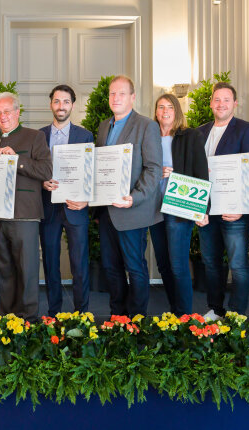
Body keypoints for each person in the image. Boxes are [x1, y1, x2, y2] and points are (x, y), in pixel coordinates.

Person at [95, 75, 162, 317]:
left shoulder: (146, 126)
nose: (116, 98)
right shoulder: (104, 126)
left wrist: (135, 197)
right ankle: (118, 318)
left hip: (132, 210)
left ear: (132, 97)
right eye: (112, 93)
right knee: (111, 268)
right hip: (107, 212)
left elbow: (154, 168)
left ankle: (137, 321)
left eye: (121, 93)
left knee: (135, 268)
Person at [0, 92, 52, 322]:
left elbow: (46, 171)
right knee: (4, 272)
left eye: (7, 112)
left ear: (17, 113)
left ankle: (29, 321)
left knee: (27, 271)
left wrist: (17, 160)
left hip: (24, 215)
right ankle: (8, 321)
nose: (2, 117)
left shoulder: (34, 137)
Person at [197, 82, 249, 320]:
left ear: (235, 103)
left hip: (235, 212)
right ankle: (216, 309)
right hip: (206, 211)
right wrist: (197, 209)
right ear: (211, 103)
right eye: (217, 99)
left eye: (226, 99)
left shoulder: (247, 130)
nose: (221, 104)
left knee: (238, 265)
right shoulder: (200, 132)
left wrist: (243, 208)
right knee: (211, 264)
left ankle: (236, 315)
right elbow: (195, 172)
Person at [148, 93, 208, 315]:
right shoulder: (150, 136)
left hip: (180, 206)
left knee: (178, 265)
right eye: (161, 106)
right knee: (163, 264)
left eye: (169, 107)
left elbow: (201, 171)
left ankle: (185, 317)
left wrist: (203, 209)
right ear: (156, 111)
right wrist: (157, 173)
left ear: (177, 111)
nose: (165, 111)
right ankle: (174, 310)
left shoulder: (191, 136)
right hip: (154, 206)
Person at [39, 84, 94, 316]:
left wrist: (87, 200)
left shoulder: (85, 135)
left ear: (72, 105)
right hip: (48, 207)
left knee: (79, 264)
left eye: (66, 102)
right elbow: (35, 169)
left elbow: (91, 172)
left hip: (76, 206)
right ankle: (54, 313)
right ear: (51, 104)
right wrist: (42, 181)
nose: (61, 106)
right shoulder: (39, 136)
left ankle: (82, 315)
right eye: (57, 101)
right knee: (51, 264)